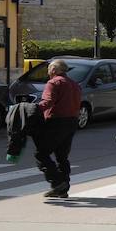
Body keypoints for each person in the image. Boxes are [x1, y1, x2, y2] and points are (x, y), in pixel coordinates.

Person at [35, 59, 82, 198]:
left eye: (49, 69)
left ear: (54, 70)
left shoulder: (53, 83)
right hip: (72, 122)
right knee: (62, 157)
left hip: (56, 122)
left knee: (41, 154)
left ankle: (57, 182)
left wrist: (32, 109)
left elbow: (48, 102)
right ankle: (63, 188)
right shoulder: (75, 85)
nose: (48, 72)